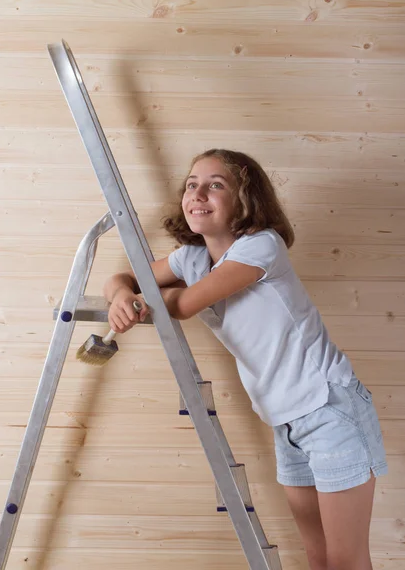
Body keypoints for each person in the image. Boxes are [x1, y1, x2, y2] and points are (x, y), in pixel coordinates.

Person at [103, 148, 388, 570]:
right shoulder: (192, 258)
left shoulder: (262, 247)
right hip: (287, 419)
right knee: (318, 556)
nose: (198, 192)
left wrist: (142, 299)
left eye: (216, 185)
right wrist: (123, 295)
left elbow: (184, 305)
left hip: (330, 408)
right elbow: (121, 277)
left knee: (344, 559)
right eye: (192, 184)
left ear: (245, 200)